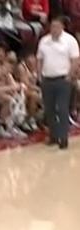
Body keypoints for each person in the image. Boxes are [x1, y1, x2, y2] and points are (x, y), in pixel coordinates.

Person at [37, 16, 79, 149]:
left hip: (63, 79)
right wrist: (39, 75)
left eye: (56, 26)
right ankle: (53, 136)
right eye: (52, 26)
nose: (54, 29)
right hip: (47, 79)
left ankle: (63, 138)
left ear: (62, 27)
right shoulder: (44, 41)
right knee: (49, 109)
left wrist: (69, 75)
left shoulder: (70, 40)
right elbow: (39, 59)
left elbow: (75, 60)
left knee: (62, 108)